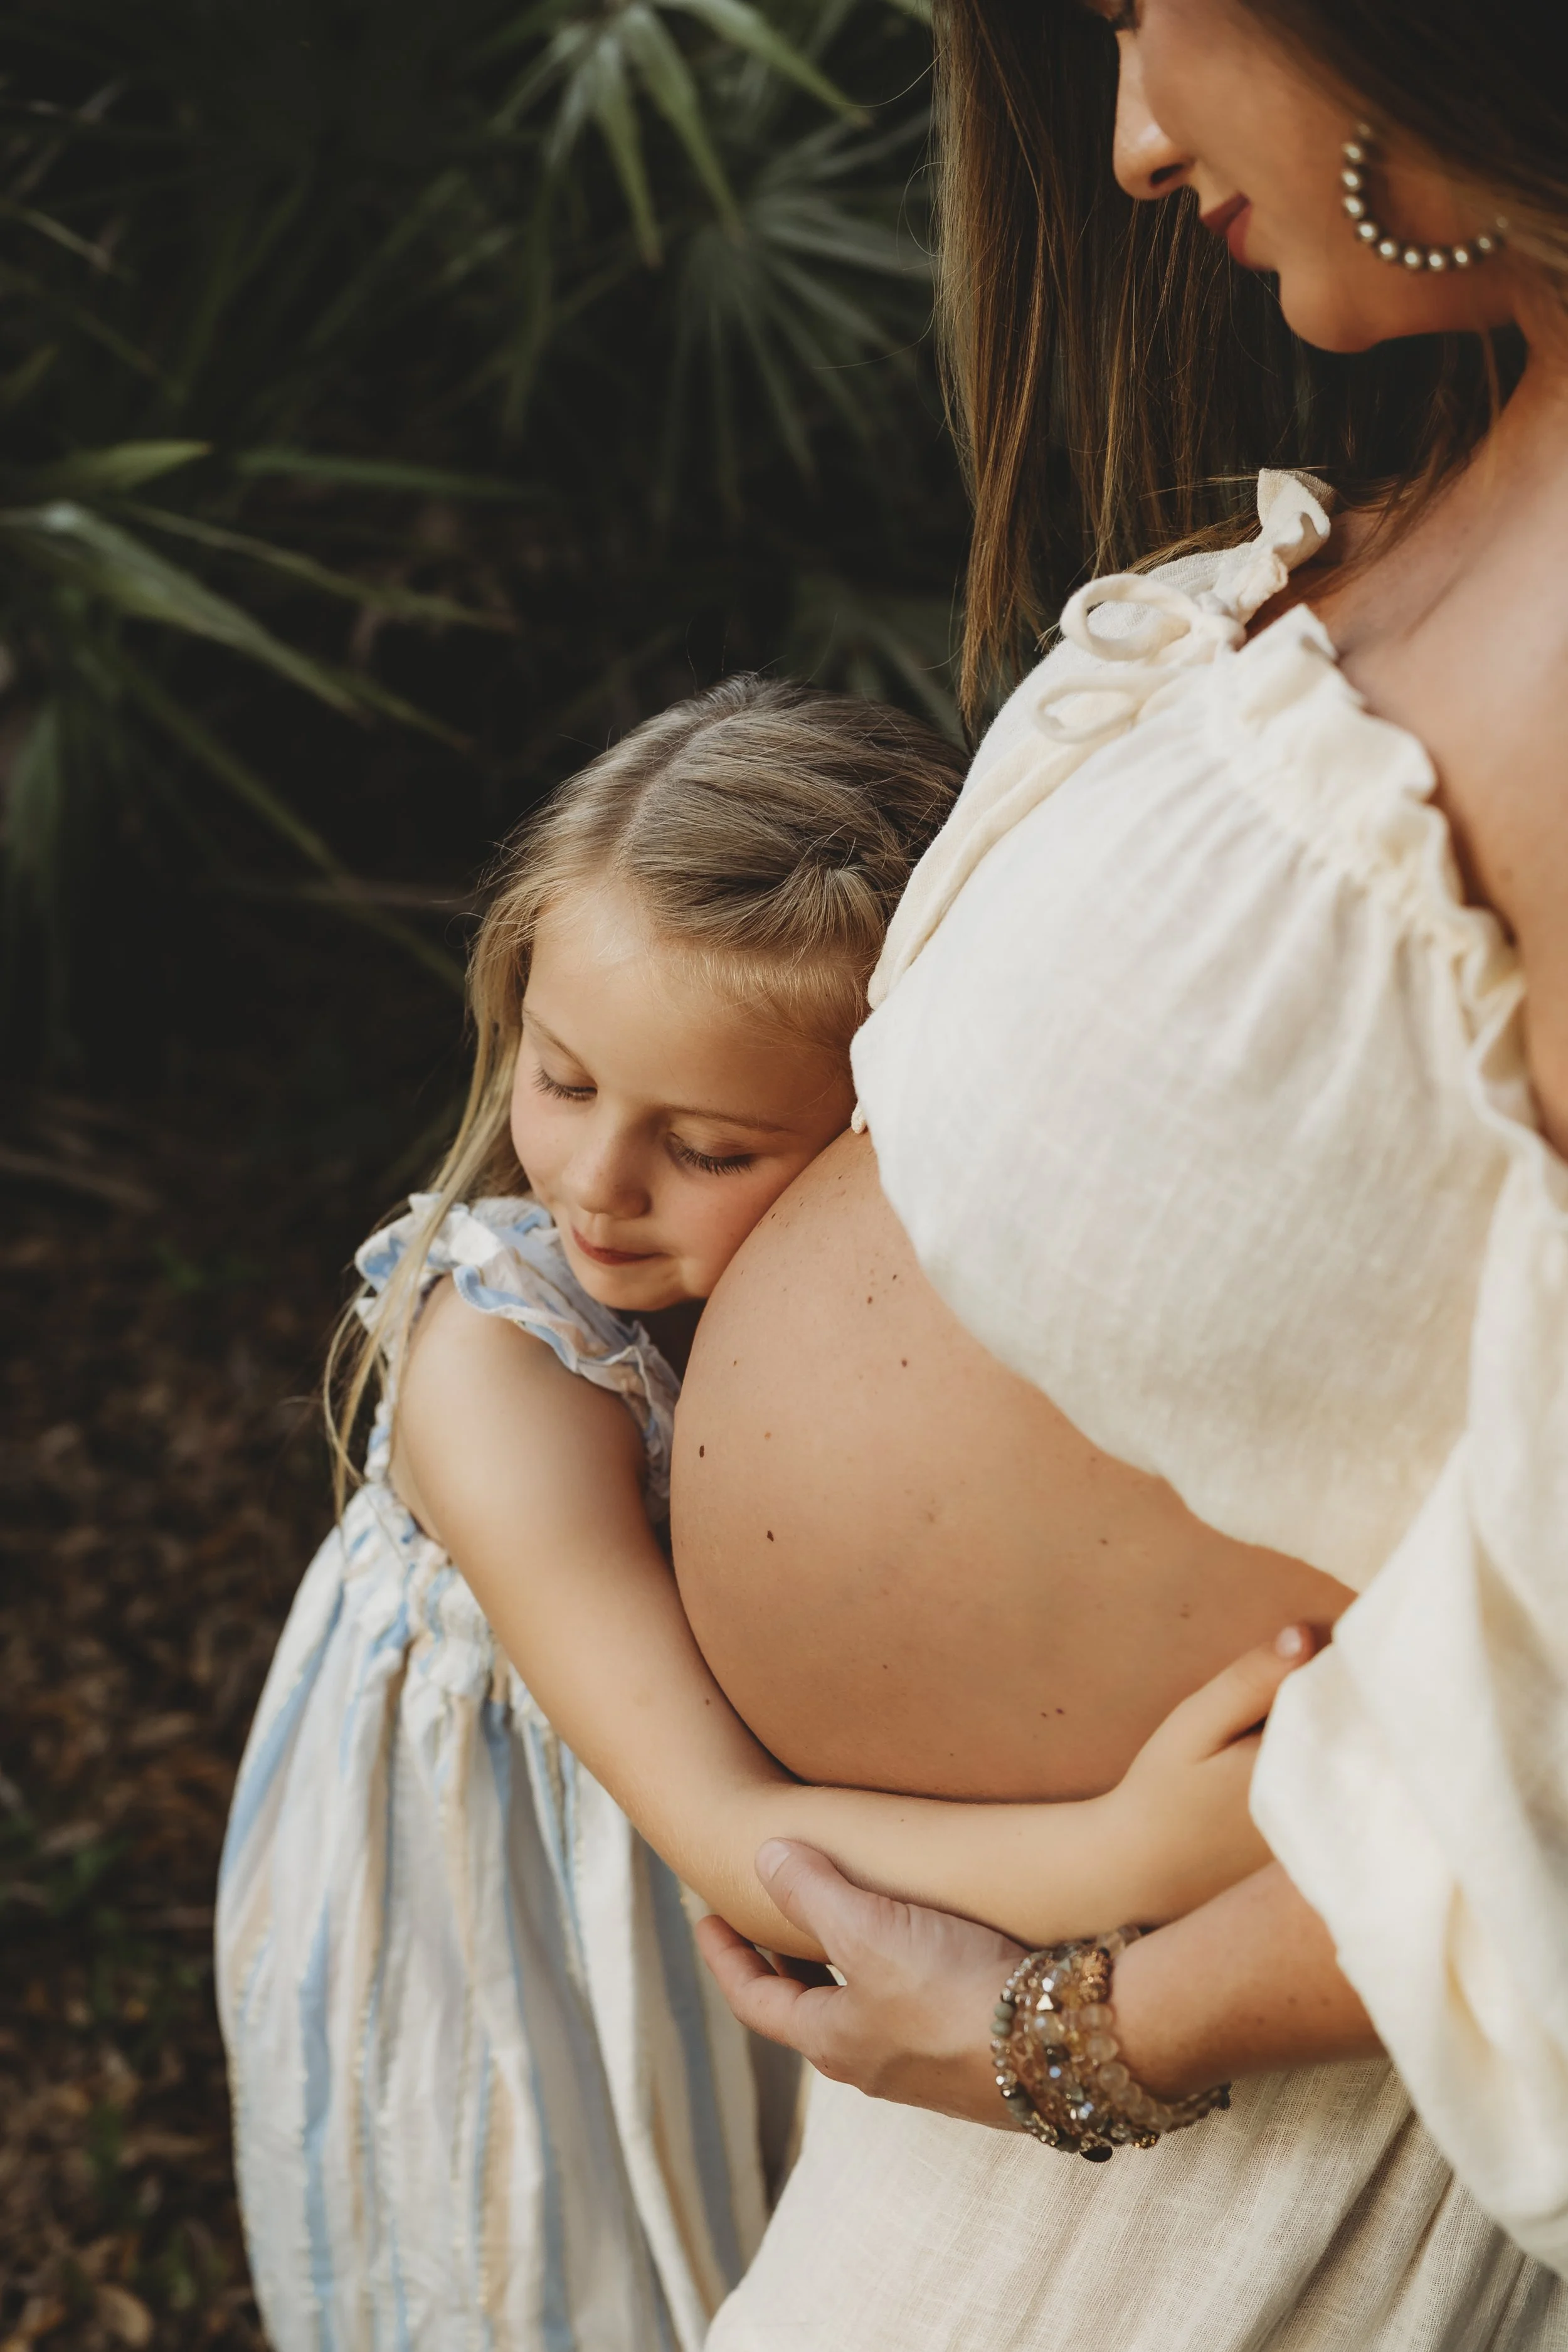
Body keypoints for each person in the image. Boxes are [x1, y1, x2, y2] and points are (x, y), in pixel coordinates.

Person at [668, 2, 1568, 2345]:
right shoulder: (1475, 453)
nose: (1137, 142)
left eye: (1147, 12)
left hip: (1245, 2151)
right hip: (1010, 2048)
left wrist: (1078, 2032)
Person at [214, 674, 1308, 2352]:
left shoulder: (900, 1311)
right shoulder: (499, 1361)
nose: (597, 1182)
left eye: (711, 1148)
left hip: (801, 1900)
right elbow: (715, 1824)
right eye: (561, 1078)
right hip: (531, 1913)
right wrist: (1131, 1853)